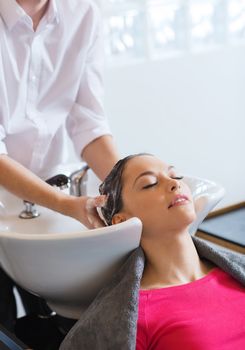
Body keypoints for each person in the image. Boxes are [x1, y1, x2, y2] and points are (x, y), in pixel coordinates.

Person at [0, 0, 119, 343]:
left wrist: (128, 186)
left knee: (61, 324)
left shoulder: (83, 13)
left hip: (49, 197)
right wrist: (66, 205)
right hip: (37, 201)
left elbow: (88, 123)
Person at [60, 153, 245, 350]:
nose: (174, 184)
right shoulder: (137, 316)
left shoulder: (235, 273)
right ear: (122, 220)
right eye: (149, 183)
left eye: (176, 176)